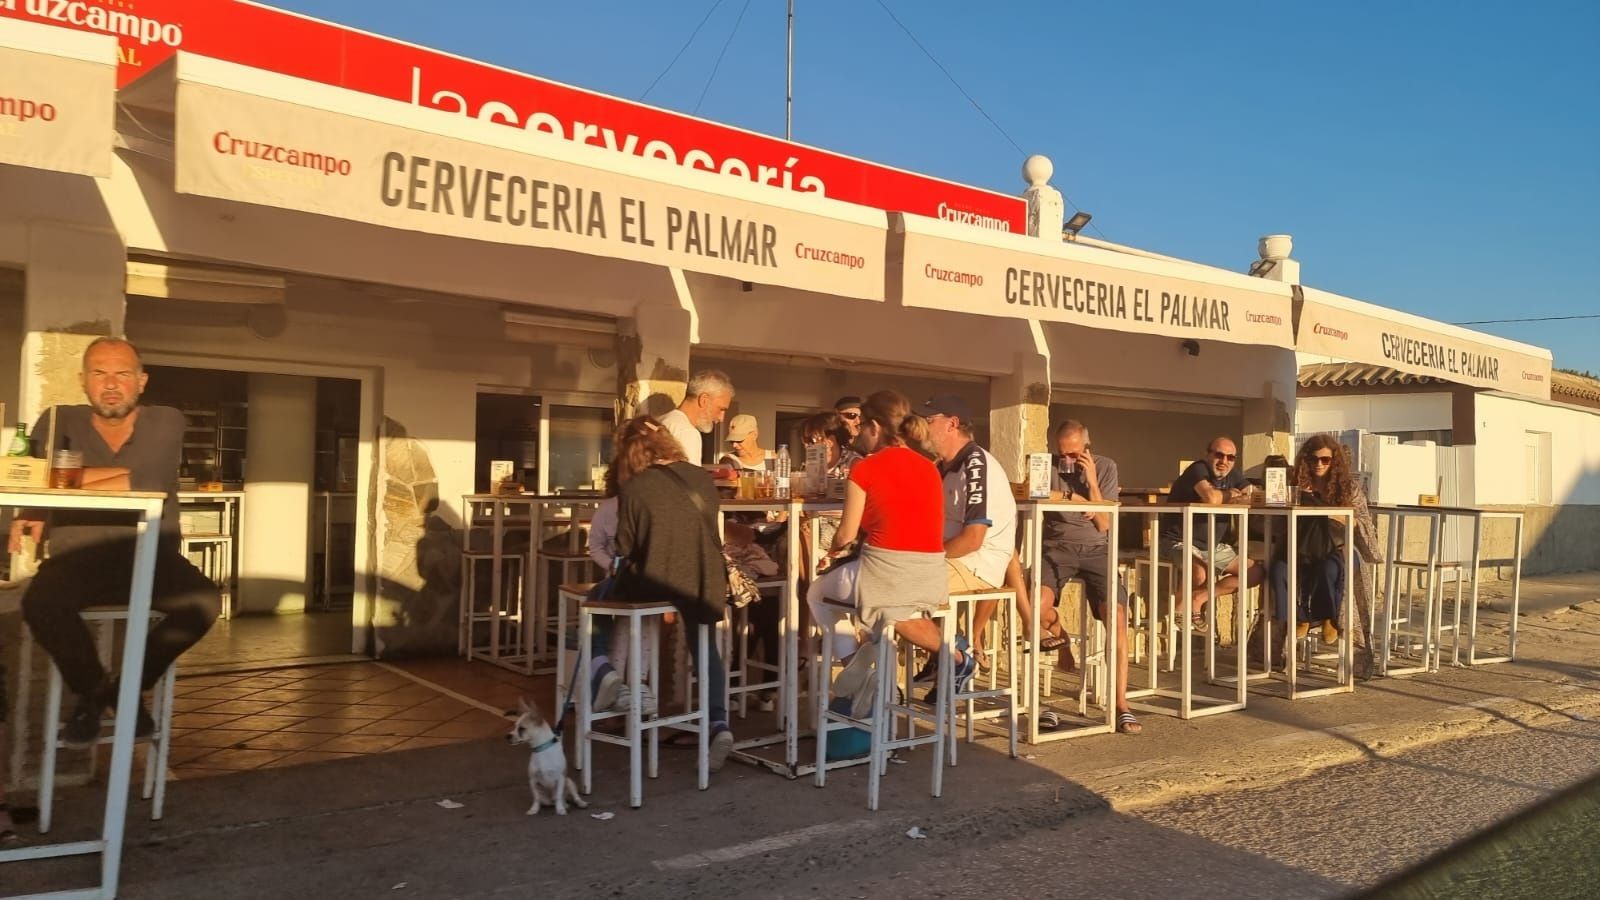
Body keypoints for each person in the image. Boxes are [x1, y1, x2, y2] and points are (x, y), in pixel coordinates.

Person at [11, 338, 220, 748]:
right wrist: (34, 502)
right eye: (99, 373)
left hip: (149, 557)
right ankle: (96, 692)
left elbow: (145, 480)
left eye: (122, 374)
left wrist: (62, 481)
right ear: (83, 381)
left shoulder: (166, 420)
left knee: (204, 602)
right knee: (38, 602)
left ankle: (124, 691)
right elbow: (26, 475)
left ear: (141, 381)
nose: (111, 384)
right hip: (77, 559)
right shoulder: (57, 420)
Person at [818, 391, 977, 698]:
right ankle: (934, 660)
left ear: (875, 427)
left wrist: (832, 552)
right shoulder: (930, 467)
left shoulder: (865, 467)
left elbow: (846, 534)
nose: (858, 432)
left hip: (887, 577)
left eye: (861, 424)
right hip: (929, 576)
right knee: (896, 609)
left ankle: (856, 665)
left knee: (816, 593)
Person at [608, 415, 736, 771]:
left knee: (599, 602)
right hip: (703, 578)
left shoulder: (635, 488)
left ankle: (605, 676)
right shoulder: (700, 477)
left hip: (656, 583)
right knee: (705, 648)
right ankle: (717, 722)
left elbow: (624, 546)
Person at [1036, 421, 1140, 734]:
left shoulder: (1106, 467)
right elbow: (1035, 493)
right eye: (1061, 453)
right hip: (1057, 547)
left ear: (1087, 449)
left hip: (1097, 549)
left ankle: (1121, 703)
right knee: (1034, 603)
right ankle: (1060, 634)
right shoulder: (1047, 465)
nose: (1066, 460)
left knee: (1118, 618)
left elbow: (1105, 525)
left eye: (1074, 454)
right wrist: (1070, 499)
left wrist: (1092, 485)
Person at [921, 395, 1017, 677]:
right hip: (953, 559)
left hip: (978, 562)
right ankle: (948, 651)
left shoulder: (976, 464)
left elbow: (973, 539)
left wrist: (925, 555)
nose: (924, 427)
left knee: (901, 585)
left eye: (929, 421)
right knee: (892, 576)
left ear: (952, 424)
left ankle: (956, 655)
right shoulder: (942, 466)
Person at [1270, 434, 1379, 652]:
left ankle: (1329, 617)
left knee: (1328, 569)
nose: (1318, 464)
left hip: (1336, 546)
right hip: (1299, 545)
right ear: (1305, 460)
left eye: (1325, 460)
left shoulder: (1348, 488)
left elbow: (1363, 521)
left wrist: (1339, 515)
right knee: (1278, 570)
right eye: (1313, 459)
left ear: (1334, 461)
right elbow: (1277, 523)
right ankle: (1298, 618)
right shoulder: (1294, 486)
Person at [1161, 436, 1263, 633]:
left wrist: (1244, 495)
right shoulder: (1198, 469)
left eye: (1230, 457)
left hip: (1211, 546)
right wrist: (1232, 496)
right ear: (1206, 455)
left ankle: (1198, 599)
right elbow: (1210, 498)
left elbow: (1254, 495)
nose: (1224, 461)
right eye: (1219, 455)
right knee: (1199, 572)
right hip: (1179, 540)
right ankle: (1179, 612)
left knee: (1255, 572)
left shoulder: (1232, 474)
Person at [658, 370, 734, 465]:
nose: (721, 418)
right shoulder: (687, 432)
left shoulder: (662, 421)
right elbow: (690, 479)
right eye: (721, 409)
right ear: (704, 400)